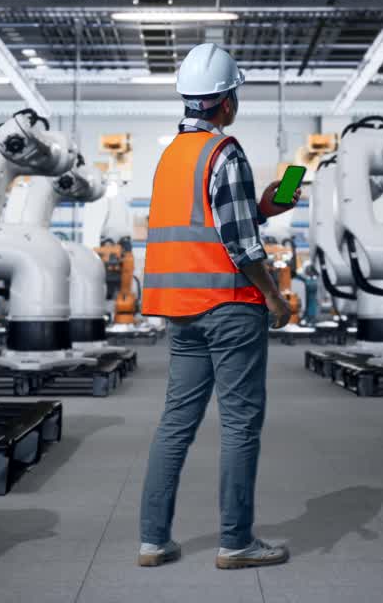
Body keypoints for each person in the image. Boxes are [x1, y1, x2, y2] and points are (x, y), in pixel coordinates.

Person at [137, 43, 297, 570]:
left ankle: (153, 541)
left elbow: (208, 222)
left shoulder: (171, 157)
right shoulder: (224, 152)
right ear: (227, 101)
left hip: (182, 310)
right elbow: (242, 245)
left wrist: (262, 207)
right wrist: (273, 295)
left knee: (175, 423)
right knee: (239, 424)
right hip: (229, 307)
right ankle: (236, 542)